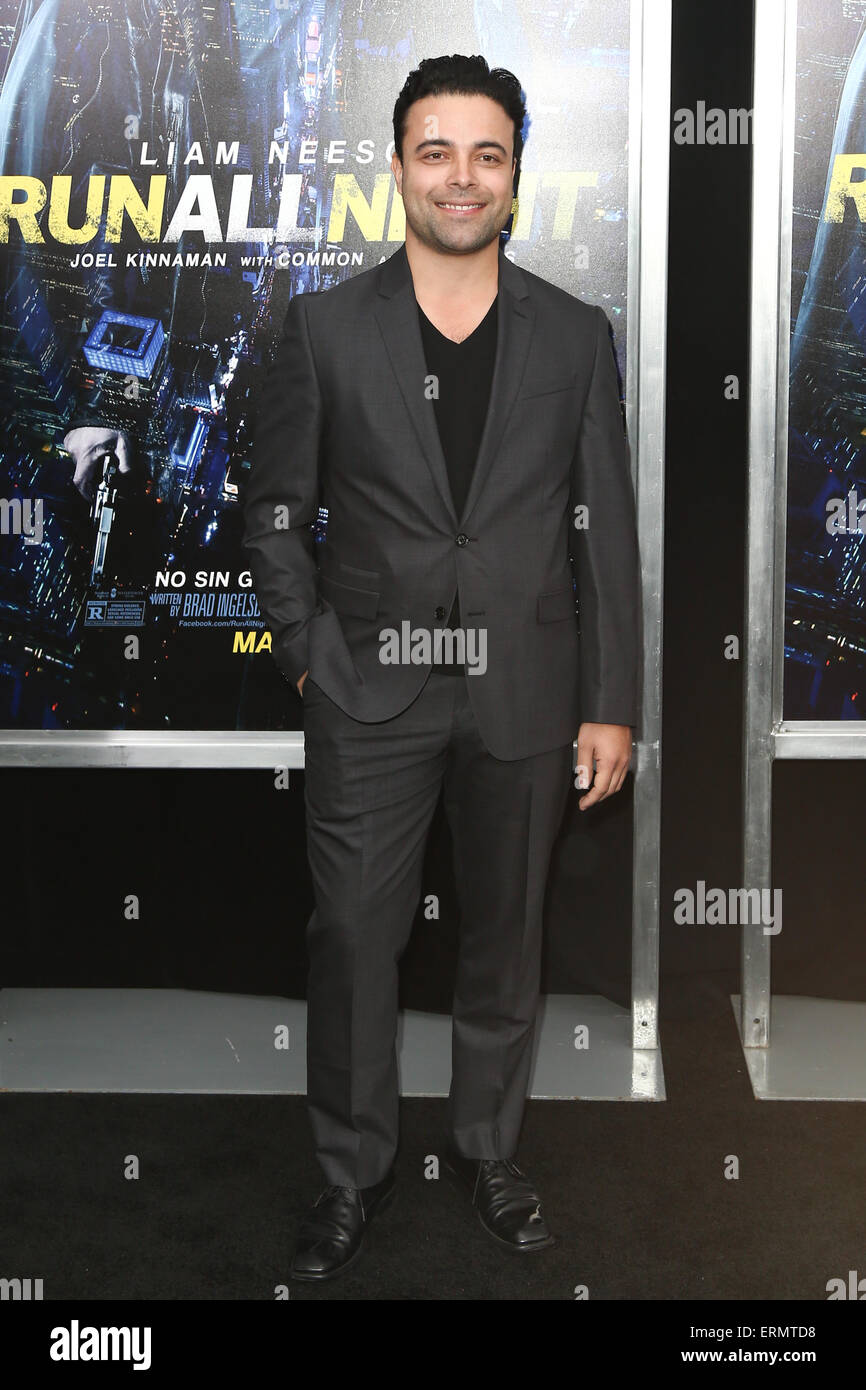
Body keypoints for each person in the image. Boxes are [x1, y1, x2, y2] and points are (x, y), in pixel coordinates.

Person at [242, 53, 641, 1281]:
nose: (459, 178)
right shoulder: (322, 326)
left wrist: (611, 706)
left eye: (486, 154)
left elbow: (608, 533)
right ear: (398, 166)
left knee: (503, 940)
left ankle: (486, 1147)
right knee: (353, 939)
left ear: (514, 175)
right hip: (369, 690)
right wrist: (313, 657)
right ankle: (352, 1173)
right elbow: (272, 512)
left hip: (525, 690)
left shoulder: (575, 335)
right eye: (435, 150)